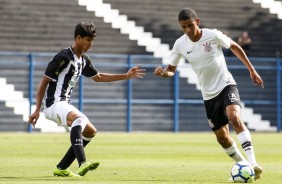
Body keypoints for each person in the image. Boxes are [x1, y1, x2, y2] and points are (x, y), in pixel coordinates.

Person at [154, 8, 263, 180]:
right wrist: (163, 73)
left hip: (226, 85)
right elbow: (171, 70)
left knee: (234, 117)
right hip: (208, 95)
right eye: (184, 27)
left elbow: (234, 46)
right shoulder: (180, 44)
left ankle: (253, 162)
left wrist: (252, 70)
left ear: (197, 22)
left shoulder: (212, 35)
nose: (188, 30)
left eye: (190, 25)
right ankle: (245, 166)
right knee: (222, 138)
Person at [28, 22, 145, 177]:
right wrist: (37, 109)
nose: (91, 44)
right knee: (77, 119)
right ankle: (83, 162)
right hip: (53, 105)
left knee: (90, 131)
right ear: (78, 38)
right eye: (88, 40)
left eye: (92, 40)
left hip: (64, 104)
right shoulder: (63, 57)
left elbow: (98, 77)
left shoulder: (83, 61)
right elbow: (44, 81)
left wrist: (126, 75)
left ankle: (62, 167)